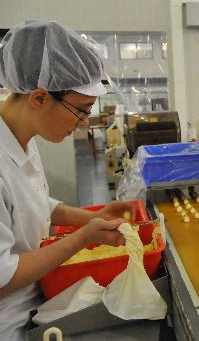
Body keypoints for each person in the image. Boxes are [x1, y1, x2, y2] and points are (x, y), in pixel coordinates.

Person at [0, 20, 133, 340]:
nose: (83, 123)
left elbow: (32, 199)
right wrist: (82, 237)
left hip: (37, 300)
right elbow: (3, 278)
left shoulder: (21, 138)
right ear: (40, 98)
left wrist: (92, 217)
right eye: (82, 111)